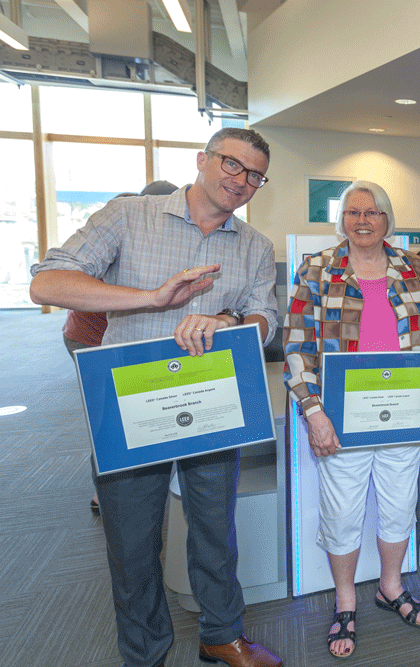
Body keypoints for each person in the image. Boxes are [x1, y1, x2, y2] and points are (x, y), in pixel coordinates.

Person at [30, 128, 282, 667]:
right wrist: (151, 298)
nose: (241, 181)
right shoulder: (129, 216)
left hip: (215, 399)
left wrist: (229, 319)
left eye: (254, 175)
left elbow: (267, 319)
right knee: (133, 540)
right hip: (132, 399)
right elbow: (47, 283)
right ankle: (145, 654)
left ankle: (222, 633)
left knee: (216, 527)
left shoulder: (256, 247)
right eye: (232, 165)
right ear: (202, 159)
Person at [283, 180, 420, 659]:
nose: (362, 221)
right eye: (352, 212)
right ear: (342, 220)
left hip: (406, 414)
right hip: (342, 420)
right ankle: (345, 600)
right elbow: (296, 347)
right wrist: (313, 413)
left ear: (387, 220)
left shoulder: (414, 268)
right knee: (342, 512)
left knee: (400, 505)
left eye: (372, 212)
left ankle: (390, 586)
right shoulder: (318, 269)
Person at [62, 182, 179, 515]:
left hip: (124, 336)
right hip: (91, 336)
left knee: (140, 409)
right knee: (110, 414)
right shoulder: (123, 215)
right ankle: (107, 491)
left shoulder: (159, 224)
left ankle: (140, 479)